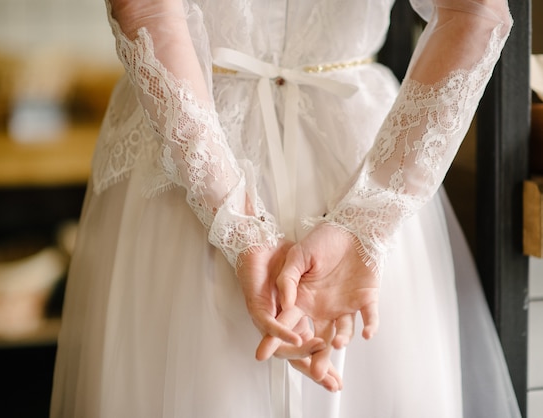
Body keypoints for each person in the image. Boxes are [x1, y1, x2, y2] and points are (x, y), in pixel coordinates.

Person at [50, 0, 521, 417]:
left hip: (194, 143)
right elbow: (475, 12)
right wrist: (371, 212)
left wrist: (238, 219)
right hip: (358, 146)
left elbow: (147, 10)